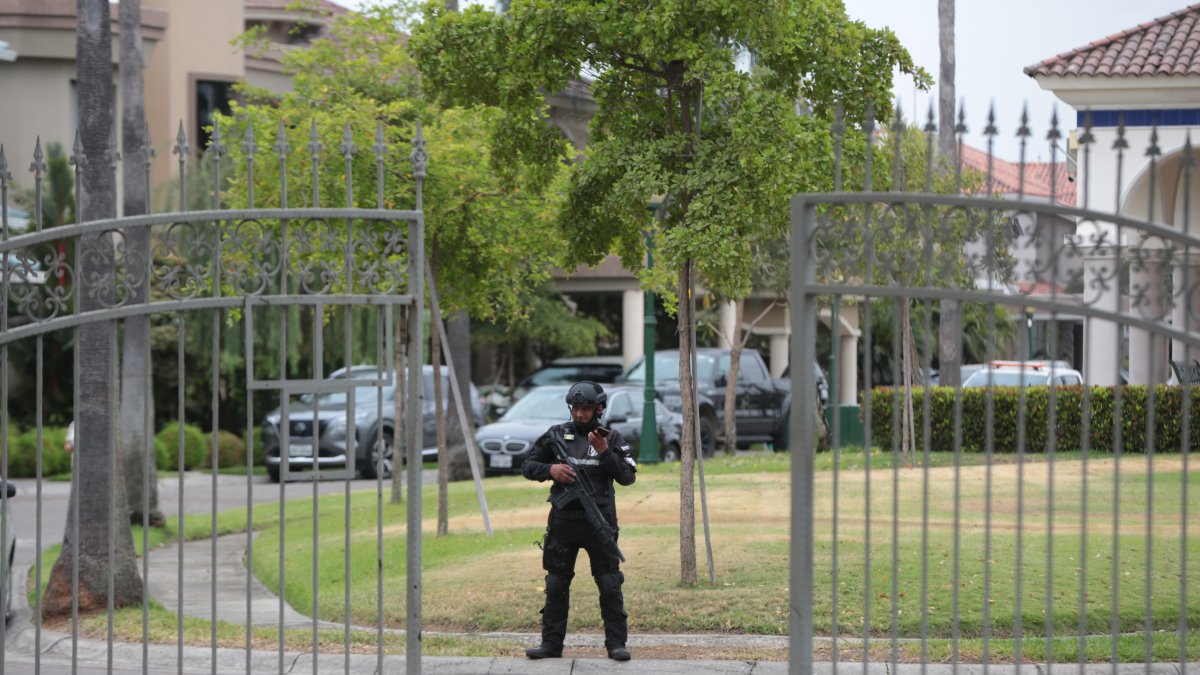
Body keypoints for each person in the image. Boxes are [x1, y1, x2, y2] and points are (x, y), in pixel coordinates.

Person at [522, 381, 637, 661]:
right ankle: (551, 645)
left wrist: (605, 452)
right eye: (575, 408)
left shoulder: (611, 438)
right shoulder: (556, 436)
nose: (580, 414)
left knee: (609, 583)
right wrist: (550, 469)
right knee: (556, 584)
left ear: (599, 409)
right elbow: (527, 466)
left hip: (600, 523)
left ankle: (616, 645)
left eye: (586, 409)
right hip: (564, 523)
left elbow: (627, 476)